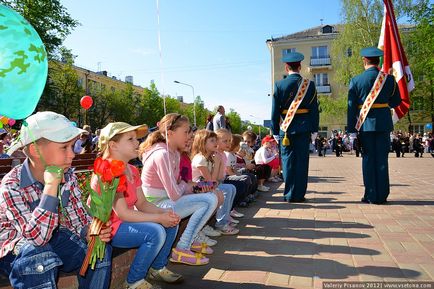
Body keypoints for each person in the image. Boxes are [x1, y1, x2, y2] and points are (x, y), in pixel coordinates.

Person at [0, 111, 112, 289]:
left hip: (55, 237)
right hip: (17, 251)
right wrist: (51, 188)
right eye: (64, 147)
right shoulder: (12, 185)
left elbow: (78, 219)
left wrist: (89, 231)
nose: (72, 154)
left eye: (72, 146)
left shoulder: (67, 176)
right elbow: (36, 239)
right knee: (41, 256)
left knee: (98, 249)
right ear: (34, 150)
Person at [95, 121, 182, 289]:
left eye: (136, 139)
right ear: (113, 145)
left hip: (123, 223)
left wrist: (164, 213)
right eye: (130, 139)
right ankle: (133, 281)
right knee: (155, 232)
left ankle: (157, 268)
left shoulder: (132, 170)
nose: (137, 143)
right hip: (107, 228)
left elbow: (141, 203)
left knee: (171, 221)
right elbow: (122, 213)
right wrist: (158, 218)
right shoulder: (107, 171)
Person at [140, 114, 220, 266]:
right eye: (186, 132)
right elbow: (175, 194)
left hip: (165, 201)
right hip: (154, 206)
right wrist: (186, 185)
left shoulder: (174, 152)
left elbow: (179, 188)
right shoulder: (161, 154)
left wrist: (197, 188)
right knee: (209, 200)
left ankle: (189, 242)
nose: (190, 136)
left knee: (209, 195)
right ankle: (184, 247)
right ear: (170, 133)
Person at [347, 47, 401, 204]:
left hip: (365, 125)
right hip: (383, 124)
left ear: (364, 60)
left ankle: (370, 195)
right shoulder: (389, 79)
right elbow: (396, 101)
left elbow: (351, 108)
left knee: (368, 159)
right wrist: (384, 103)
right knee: (382, 160)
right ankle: (382, 195)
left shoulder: (356, 80)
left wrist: (352, 131)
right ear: (379, 61)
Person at [271, 51, 319, 203]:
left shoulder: (279, 85)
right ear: (300, 67)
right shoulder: (309, 85)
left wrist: (275, 131)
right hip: (304, 128)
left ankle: (289, 194)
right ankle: (299, 194)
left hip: (286, 129)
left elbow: (274, 111)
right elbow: (314, 110)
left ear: (286, 68)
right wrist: (314, 129)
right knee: (302, 162)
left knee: (287, 162)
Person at [191, 129, 239, 235]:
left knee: (230, 187)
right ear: (203, 143)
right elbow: (212, 182)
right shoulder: (200, 159)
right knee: (225, 190)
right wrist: (217, 163)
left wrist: (218, 162)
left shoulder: (209, 158)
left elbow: (216, 180)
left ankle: (224, 220)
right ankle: (220, 223)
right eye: (212, 140)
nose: (216, 143)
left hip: (207, 185)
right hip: (198, 187)